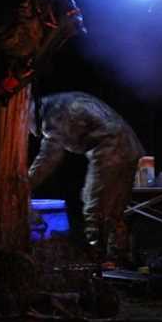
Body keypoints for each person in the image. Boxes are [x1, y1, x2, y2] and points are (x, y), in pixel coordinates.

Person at [28, 91, 144, 266]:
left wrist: (25, 183)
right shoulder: (62, 102)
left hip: (111, 148)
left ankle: (97, 262)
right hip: (130, 146)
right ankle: (118, 259)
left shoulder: (52, 115)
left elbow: (49, 157)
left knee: (94, 208)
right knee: (114, 211)